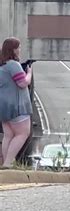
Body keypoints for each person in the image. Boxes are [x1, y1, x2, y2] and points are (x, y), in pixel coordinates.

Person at [0, 37, 33, 167]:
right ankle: (8, 163)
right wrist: (29, 73)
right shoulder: (13, 65)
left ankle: (5, 163)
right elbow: (22, 83)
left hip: (4, 105)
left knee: (8, 135)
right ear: (13, 49)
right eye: (18, 47)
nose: (20, 50)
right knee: (22, 133)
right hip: (17, 106)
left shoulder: (2, 65)